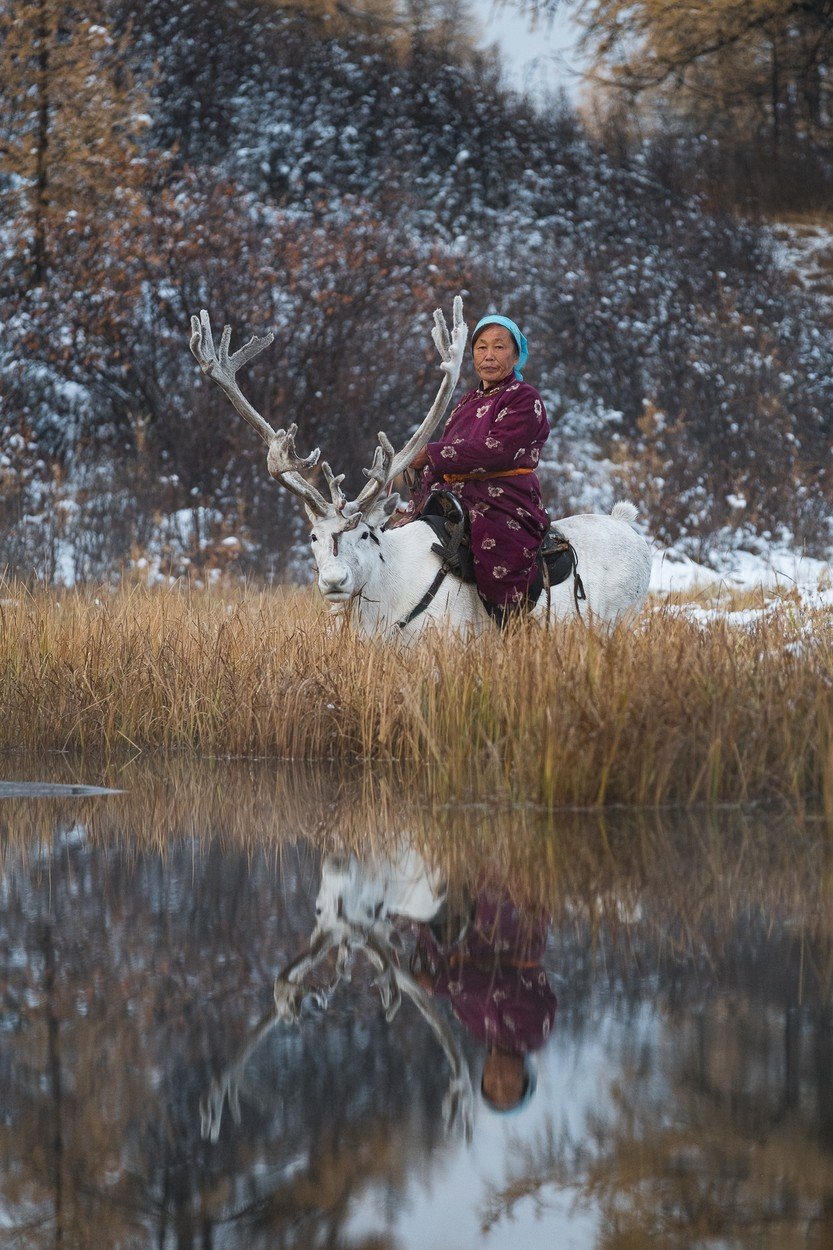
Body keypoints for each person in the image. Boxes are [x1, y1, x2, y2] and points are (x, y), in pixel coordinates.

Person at [409, 314, 550, 623]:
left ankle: (513, 629)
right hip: (454, 498)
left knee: (498, 558)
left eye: (499, 347)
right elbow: (446, 458)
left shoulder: (524, 398)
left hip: (503, 501)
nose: (489, 355)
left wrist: (432, 454)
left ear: (516, 355)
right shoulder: (466, 401)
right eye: (481, 347)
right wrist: (420, 482)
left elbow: (498, 450)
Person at [410, 887, 556, 1114]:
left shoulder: (478, 1030)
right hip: (509, 931)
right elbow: (501, 985)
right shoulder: (534, 1031)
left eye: (490, 1085)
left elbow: (452, 970)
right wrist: (439, 985)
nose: (497, 1079)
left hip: (465, 932)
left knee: (415, 893)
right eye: (508, 1086)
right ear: (526, 1076)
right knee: (492, 878)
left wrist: (421, 931)